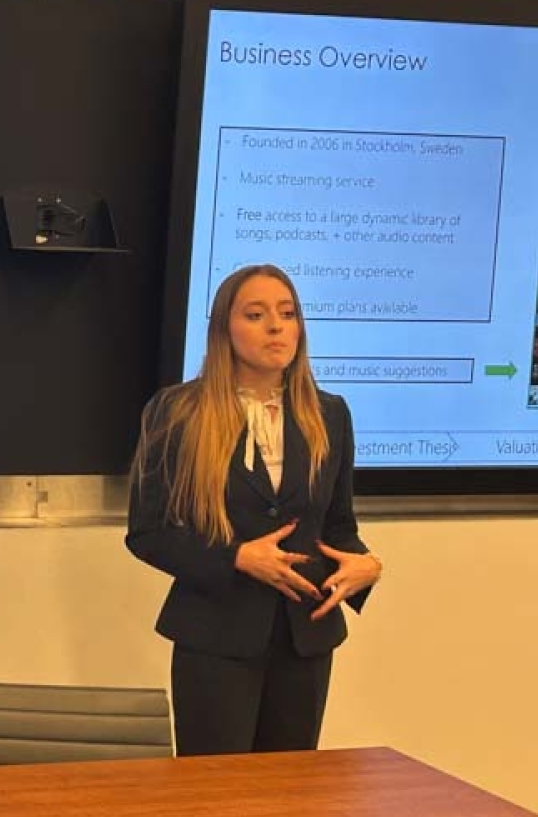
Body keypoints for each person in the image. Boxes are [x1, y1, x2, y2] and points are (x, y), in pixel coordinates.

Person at [126, 263, 382, 755]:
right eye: (256, 314)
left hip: (305, 635)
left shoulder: (329, 413)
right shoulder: (178, 412)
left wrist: (365, 565)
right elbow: (148, 532)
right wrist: (237, 557)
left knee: (289, 787)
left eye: (287, 314)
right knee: (217, 788)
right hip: (217, 635)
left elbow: (337, 527)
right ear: (224, 329)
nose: (276, 327)